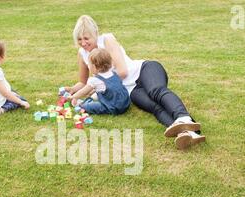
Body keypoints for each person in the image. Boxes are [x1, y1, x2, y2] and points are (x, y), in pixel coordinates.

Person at [65, 15, 205, 150]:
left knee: (155, 91)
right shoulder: (82, 53)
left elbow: (123, 71)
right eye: (79, 39)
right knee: (154, 108)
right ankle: (186, 133)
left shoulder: (106, 40)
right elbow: (82, 82)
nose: (83, 43)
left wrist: (96, 86)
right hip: (130, 90)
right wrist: (73, 90)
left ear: (95, 33)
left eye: (86, 38)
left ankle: (183, 118)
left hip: (143, 70)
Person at [68, 48, 130, 115]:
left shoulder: (95, 80)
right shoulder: (113, 73)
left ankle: (81, 105)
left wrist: (73, 97)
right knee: (97, 94)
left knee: (92, 106)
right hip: (125, 103)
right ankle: (92, 100)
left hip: (113, 107)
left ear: (94, 67)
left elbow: (83, 92)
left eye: (89, 65)